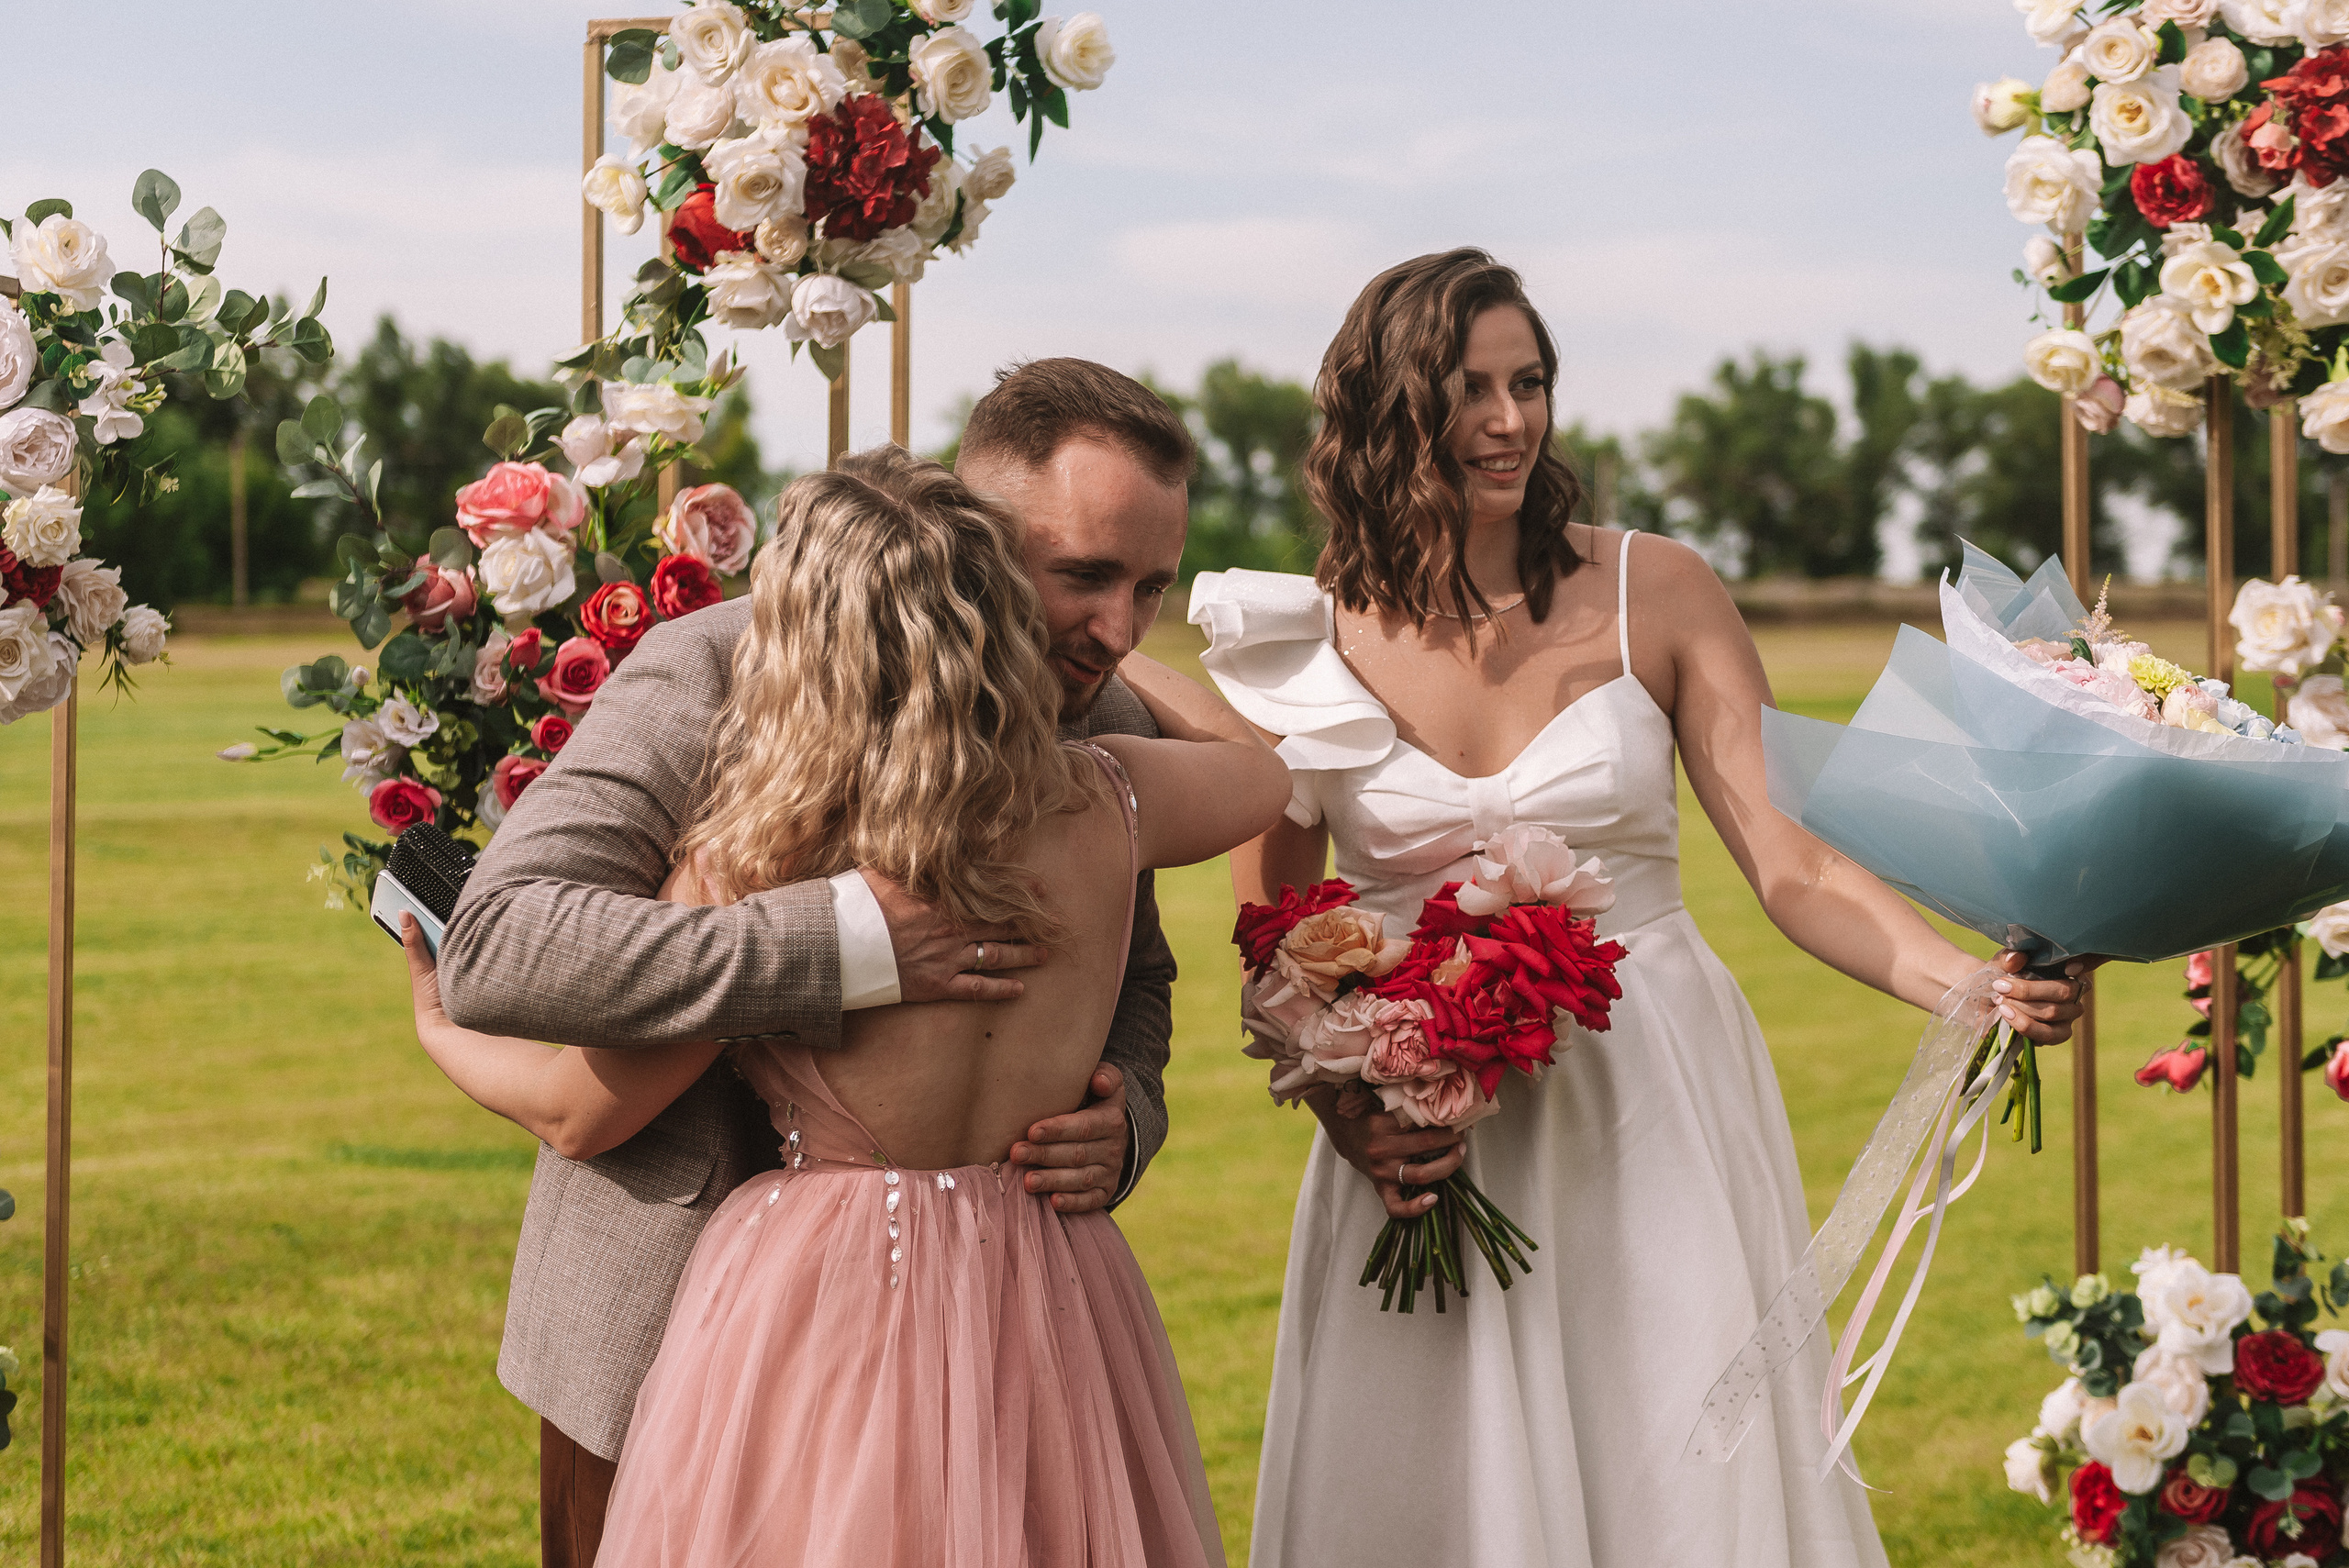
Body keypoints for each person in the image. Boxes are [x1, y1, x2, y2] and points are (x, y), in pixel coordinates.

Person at [1187, 249, 2091, 1567]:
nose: (1510, 421)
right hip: (1433, 1140)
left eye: (1530, 382)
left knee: (1673, 1464)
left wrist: (1960, 982)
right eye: (1470, 389)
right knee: (1443, 1481)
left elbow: (1797, 864)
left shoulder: (1653, 587)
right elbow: (1277, 946)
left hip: (1651, 1103)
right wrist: (1359, 1113)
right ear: (1388, 408)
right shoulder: (1292, 640)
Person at [409, 447, 1287, 1563]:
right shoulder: (1109, 798)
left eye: (1143, 595)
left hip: (808, 1307)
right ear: (1002, 593)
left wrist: (438, 1030)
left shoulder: (758, 856)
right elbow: (1262, 772)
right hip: (1044, 1295)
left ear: (799, 630)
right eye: (1084, 583)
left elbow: (584, 1108)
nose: (1112, 628)